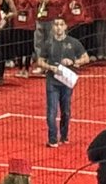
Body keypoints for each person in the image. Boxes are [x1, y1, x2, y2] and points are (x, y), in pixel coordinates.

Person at [34, 18, 89, 148]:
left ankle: (64, 135)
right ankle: (52, 139)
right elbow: (40, 61)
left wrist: (74, 62)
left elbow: (86, 58)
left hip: (66, 82)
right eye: (56, 24)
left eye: (61, 24)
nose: (58, 27)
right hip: (52, 81)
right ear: (53, 27)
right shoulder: (48, 44)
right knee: (51, 111)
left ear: (65, 27)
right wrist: (49, 67)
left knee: (66, 111)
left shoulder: (73, 42)